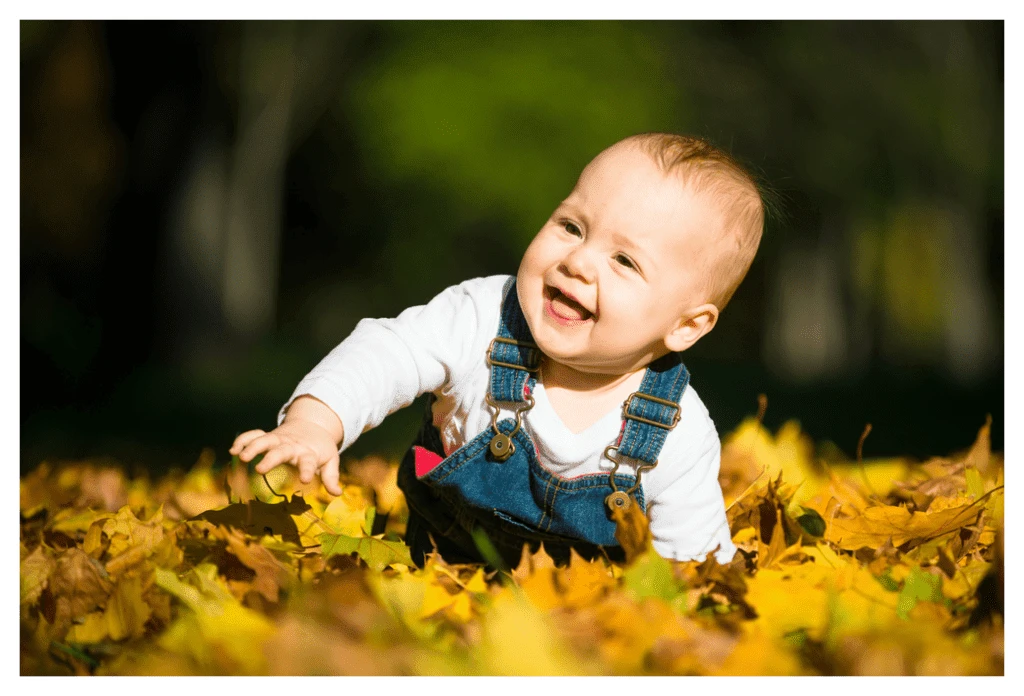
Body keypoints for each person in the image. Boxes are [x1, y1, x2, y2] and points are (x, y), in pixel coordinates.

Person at [230, 133, 764, 568]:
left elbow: (694, 560)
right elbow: (389, 352)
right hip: (433, 575)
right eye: (572, 226)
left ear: (686, 325)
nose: (579, 262)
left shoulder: (677, 430)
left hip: (576, 629)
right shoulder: (486, 318)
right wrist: (317, 422)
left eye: (625, 262)